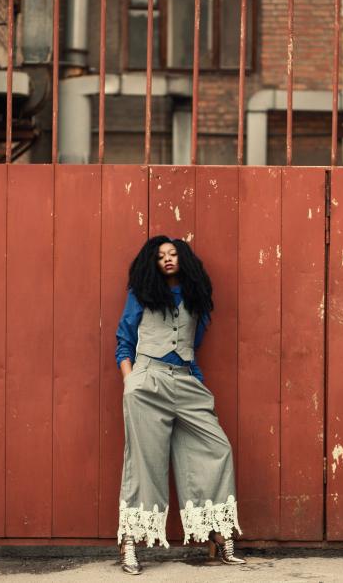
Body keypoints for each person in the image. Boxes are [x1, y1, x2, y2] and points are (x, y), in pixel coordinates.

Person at [115, 235, 244, 575]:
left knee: (218, 448)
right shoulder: (140, 295)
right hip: (147, 380)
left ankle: (216, 534)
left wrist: (197, 386)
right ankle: (130, 542)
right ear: (152, 263)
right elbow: (124, 341)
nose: (168, 259)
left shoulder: (195, 298)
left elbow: (192, 347)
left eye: (173, 254)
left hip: (186, 380)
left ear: (183, 259)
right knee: (144, 463)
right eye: (161, 256)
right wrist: (131, 382)